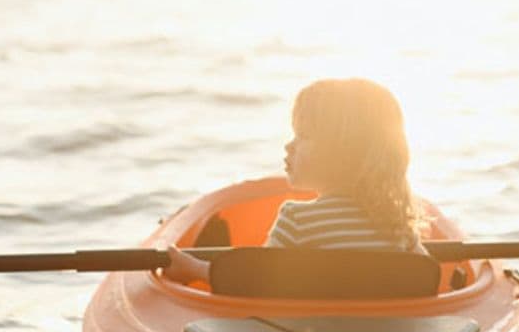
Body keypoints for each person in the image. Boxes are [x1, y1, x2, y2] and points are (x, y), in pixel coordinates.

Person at [164, 77, 427, 284]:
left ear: (340, 152)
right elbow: (427, 276)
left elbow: (254, 282)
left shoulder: (298, 220)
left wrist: (194, 268)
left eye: (303, 137)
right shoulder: (397, 226)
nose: (290, 146)